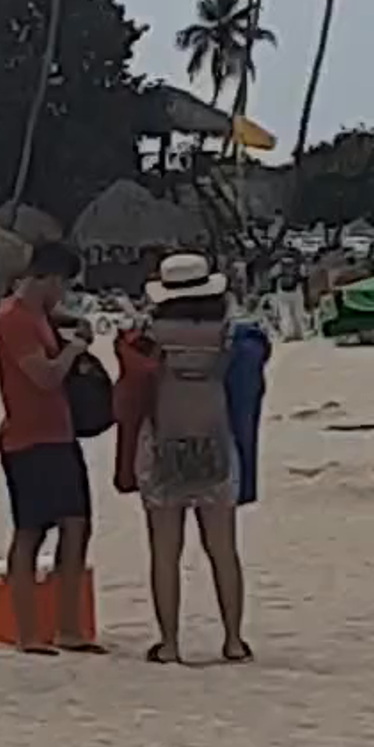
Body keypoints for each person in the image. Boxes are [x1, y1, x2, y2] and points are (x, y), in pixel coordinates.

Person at [127, 250, 262, 657]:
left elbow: (131, 386)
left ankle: (169, 643)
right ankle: (234, 640)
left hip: (164, 444)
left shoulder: (148, 336)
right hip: (216, 442)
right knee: (223, 550)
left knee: (165, 554)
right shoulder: (229, 335)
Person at [0, 232, 93, 647]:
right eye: (62, 284)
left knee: (76, 525)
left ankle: (68, 628)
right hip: (28, 438)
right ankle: (28, 631)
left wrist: (69, 327)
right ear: (48, 278)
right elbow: (44, 376)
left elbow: (53, 320)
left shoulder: (38, 314)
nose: (63, 293)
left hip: (59, 433)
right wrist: (75, 351)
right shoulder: (13, 319)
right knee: (30, 531)